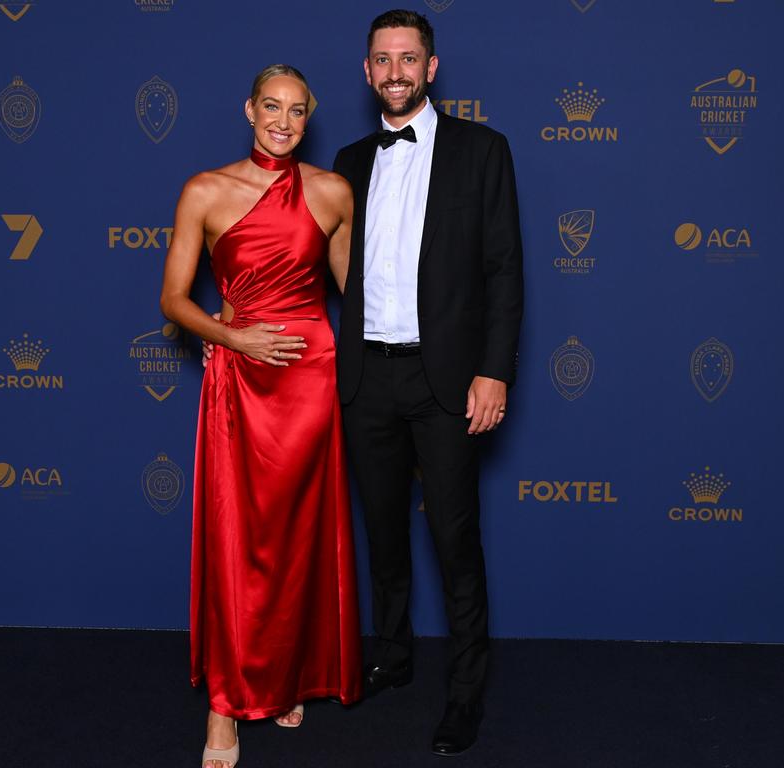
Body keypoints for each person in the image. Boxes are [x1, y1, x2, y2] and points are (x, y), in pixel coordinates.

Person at [331, 9, 524, 757]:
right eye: (383, 60)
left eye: (409, 59)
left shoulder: (483, 150)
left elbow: (504, 270)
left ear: (431, 69)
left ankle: (467, 692)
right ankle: (393, 653)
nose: (396, 72)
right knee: (381, 530)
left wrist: (494, 370)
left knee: (454, 538)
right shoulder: (347, 160)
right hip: (365, 376)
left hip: (447, 376)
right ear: (368, 70)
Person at [160, 65, 362, 768]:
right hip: (240, 378)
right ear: (249, 108)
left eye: (297, 110)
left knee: (296, 535)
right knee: (239, 537)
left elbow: (355, 294)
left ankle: (282, 676)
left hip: (310, 379)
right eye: (271, 106)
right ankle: (226, 704)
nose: (283, 120)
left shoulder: (333, 191)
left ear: (310, 117)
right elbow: (175, 301)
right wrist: (233, 336)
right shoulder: (205, 190)